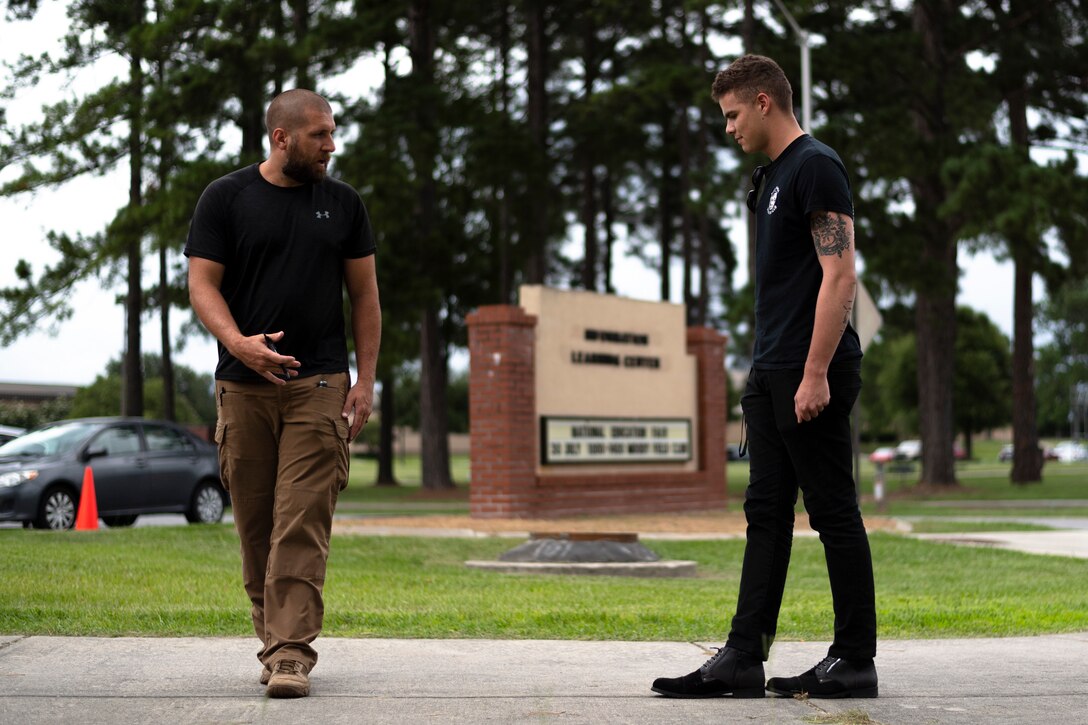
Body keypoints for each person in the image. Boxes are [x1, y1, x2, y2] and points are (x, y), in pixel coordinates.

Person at [652, 54, 877, 700]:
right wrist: (764, 377)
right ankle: (743, 656)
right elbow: (786, 289)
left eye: (730, 115)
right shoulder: (775, 176)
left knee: (834, 513)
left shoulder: (816, 166)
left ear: (764, 102)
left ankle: (855, 658)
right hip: (774, 371)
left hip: (813, 373)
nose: (727, 129)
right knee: (766, 516)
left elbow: (841, 277)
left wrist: (814, 373)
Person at [185, 89, 381, 699]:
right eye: (320, 134)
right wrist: (237, 343)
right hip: (242, 388)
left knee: (300, 521)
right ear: (282, 138)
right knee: (257, 527)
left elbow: (366, 298)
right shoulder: (225, 198)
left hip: (319, 384)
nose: (331, 145)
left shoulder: (343, 204)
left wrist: (365, 379)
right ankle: (274, 643)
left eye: (332, 132)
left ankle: (292, 653)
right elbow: (201, 285)